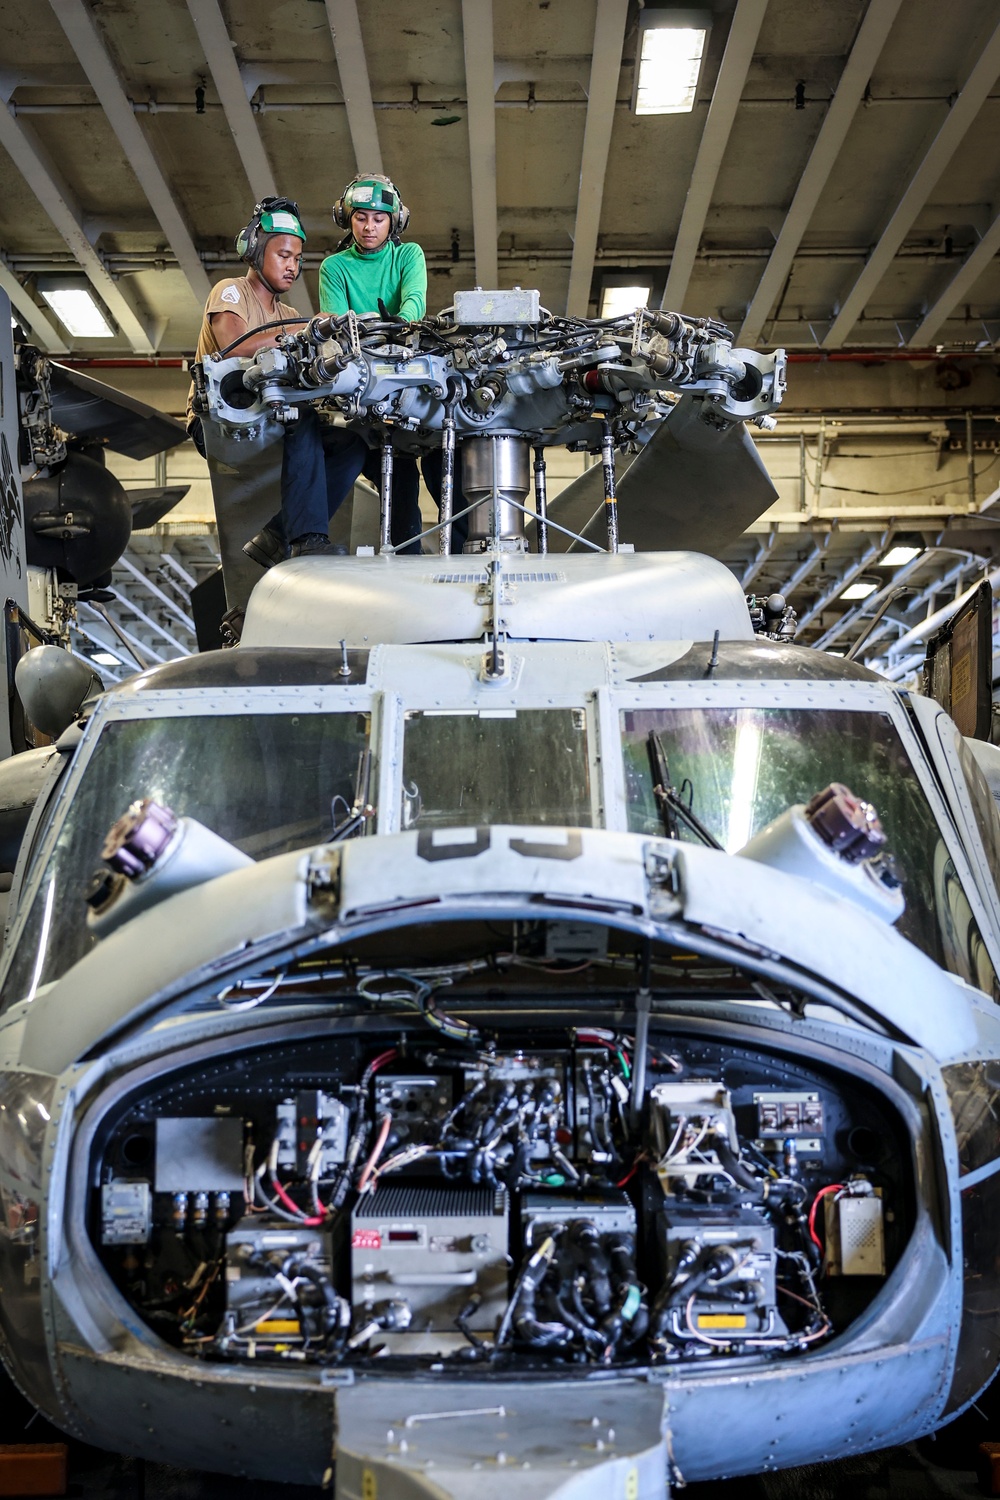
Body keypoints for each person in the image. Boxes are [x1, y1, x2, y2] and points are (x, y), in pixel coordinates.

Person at [188, 196, 365, 563]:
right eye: (284, 255)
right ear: (255, 250)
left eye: (298, 260)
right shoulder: (230, 292)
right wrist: (305, 330)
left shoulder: (289, 314)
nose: (293, 267)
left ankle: (275, 536)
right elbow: (237, 349)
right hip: (222, 420)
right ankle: (307, 539)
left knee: (351, 445)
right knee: (301, 422)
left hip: (270, 418)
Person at [319, 174, 468, 553]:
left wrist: (386, 327)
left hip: (414, 380)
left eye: (379, 218)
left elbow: (413, 308)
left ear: (394, 221)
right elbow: (339, 327)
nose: (369, 227)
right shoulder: (334, 267)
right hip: (371, 391)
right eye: (361, 217)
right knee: (400, 496)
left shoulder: (408, 255)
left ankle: (467, 556)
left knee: (445, 477)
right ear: (346, 218)